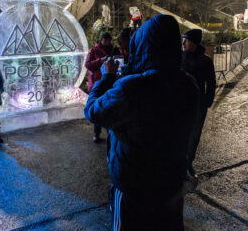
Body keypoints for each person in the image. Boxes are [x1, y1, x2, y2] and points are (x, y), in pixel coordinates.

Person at [84, 14, 199, 231]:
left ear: (143, 44)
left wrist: (106, 78)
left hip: (132, 185)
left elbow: (93, 112)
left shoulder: (131, 88)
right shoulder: (188, 84)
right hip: (170, 181)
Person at [181, 29, 216, 182]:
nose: (182, 43)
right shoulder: (178, 57)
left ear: (194, 43)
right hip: (180, 103)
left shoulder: (205, 61)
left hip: (198, 104)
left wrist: (208, 100)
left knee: (194, 136)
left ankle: (188, 163)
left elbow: (211, 83)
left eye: (186, 40)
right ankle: (179, 163)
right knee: (180, 134)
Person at [85, 31, 114, 143]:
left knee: (109, 108)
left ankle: (110, 134)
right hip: (97, 83)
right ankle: (96, 134)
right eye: (105, 39)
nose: (107, 42)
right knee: (98, 108)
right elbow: (88, 65)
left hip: (109, 83)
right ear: (101, 39)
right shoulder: (93, 50)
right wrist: (100, 60)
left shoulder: (112, 49)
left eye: (109, 39)